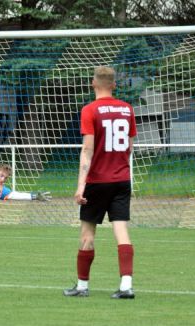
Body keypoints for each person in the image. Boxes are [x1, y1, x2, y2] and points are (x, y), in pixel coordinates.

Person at [63, 66, 137, 299]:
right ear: (114, 85)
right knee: (122, 231)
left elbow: (87, 150)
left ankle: (82, 287)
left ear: (93, 83)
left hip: (97, 181)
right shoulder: (127, 109)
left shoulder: (89, 110)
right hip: (122, 179)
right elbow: (130, 146)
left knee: (87, 234)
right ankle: (126, 285)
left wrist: (80, 186)